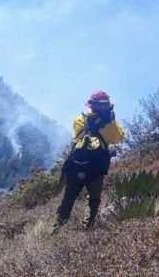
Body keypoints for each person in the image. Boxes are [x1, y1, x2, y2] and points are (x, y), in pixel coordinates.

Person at [53, 91, 124, 232]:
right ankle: (87, 228)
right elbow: (119, 137)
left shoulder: (79, 119)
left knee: (69, 198)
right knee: (94, 199)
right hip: (96, 168)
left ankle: (57, 228)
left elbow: (75, 135)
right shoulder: (109, 125)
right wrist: (112, 121)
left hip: (76, 165)